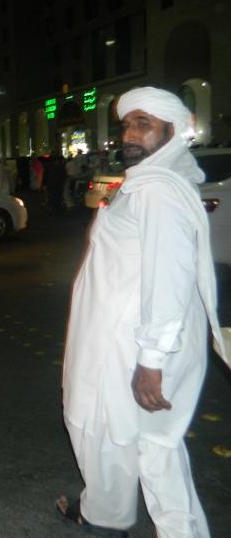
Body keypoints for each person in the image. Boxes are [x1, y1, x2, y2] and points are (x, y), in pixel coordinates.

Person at [57, 87, 227, 538]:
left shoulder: (157, 193)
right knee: (116, 436)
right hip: (121, 341)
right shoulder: (147, 185)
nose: (129, 133)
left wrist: (150, 362)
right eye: (127, 124)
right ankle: (105, 515)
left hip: (134, 347)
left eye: (143, 124)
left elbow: (169, 277)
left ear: (171, 134)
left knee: (153, 450)